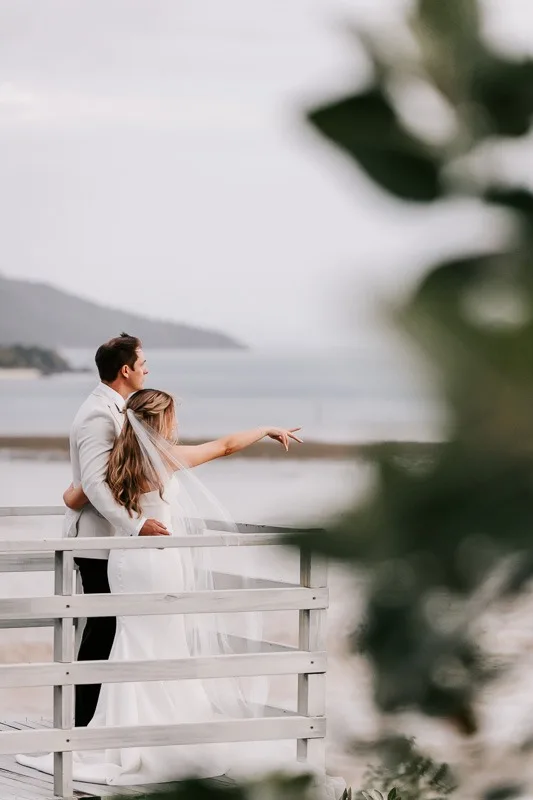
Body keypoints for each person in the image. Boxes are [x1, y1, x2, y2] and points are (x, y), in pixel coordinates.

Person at [18, 388, 304, 786]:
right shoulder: (165, 459)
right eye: (172, 419)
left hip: (123, 562)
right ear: (160, 423)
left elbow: (73, 495)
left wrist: (88, 499)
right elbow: (223, 446)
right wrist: (265, 428)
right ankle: (159, 737)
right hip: (157, 561)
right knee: (165, 641)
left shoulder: (112, 461)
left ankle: (114, 738)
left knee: (128, 642)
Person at [63, 333, 169, 727]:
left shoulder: (116, 407)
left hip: (113, 543)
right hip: (97, 542)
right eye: (143, 363)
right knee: (102, 630)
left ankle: (99, 719)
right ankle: (78, 723)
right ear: (126, 370)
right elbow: (93, 484)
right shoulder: (97, 413)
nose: (147, 369)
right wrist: (137, 524)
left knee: (110, 629)